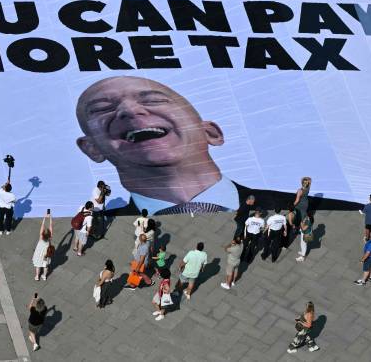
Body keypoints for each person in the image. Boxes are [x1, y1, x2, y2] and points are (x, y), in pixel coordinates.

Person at [75, 76, 293, 215]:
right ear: (91, 148)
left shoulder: (308, 209)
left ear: (212, 133)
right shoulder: (98, 230)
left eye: (153, 100)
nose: (130, 111)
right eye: (102, 108)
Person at [32, 210, 54, 281]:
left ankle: (37, 276)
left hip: (39, 253)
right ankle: (44, 276)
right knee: (45, 265)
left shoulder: (41, 237)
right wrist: (50, 217)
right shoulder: (50, 237)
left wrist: (44, 217)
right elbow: (51, 225)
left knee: (38, 265)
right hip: (46, 254)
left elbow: (42, 225)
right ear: (49, 234)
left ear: (43, 234)